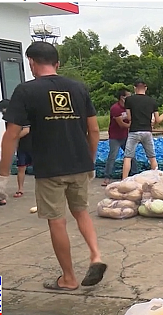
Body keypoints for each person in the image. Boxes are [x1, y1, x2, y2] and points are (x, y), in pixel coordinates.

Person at [0, 41, 106, 290]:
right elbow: (94, 129)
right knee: (81, 212)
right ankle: (96, 255)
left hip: (50, 168)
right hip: (79, 164)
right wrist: (89, 161)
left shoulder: (25, 91)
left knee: (57, 221)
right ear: (57, 64)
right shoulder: (78, 88)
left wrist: (3, 172)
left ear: (31, 63)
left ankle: (68, 278)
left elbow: (12, 134)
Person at [122, 79, 159, 179]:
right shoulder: (152, 101)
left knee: (128, 157)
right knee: (152, 157)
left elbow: (129, 117)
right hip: (147, 131)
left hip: (134, 131)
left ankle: (124, 180)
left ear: (135, 88)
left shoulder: (129, 100)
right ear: (146, 88)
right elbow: (157, 119)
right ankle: (157, 179)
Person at [103, 88, 138, 186]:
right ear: (122, 98)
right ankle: (107, 177)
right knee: (112, 156)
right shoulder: (116, 108)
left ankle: (134, 174)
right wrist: (133, 125)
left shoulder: (130, 108)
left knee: (131, 156)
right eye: (128, 96)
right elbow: (121, 124)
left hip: (126, 135)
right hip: (115, 136)